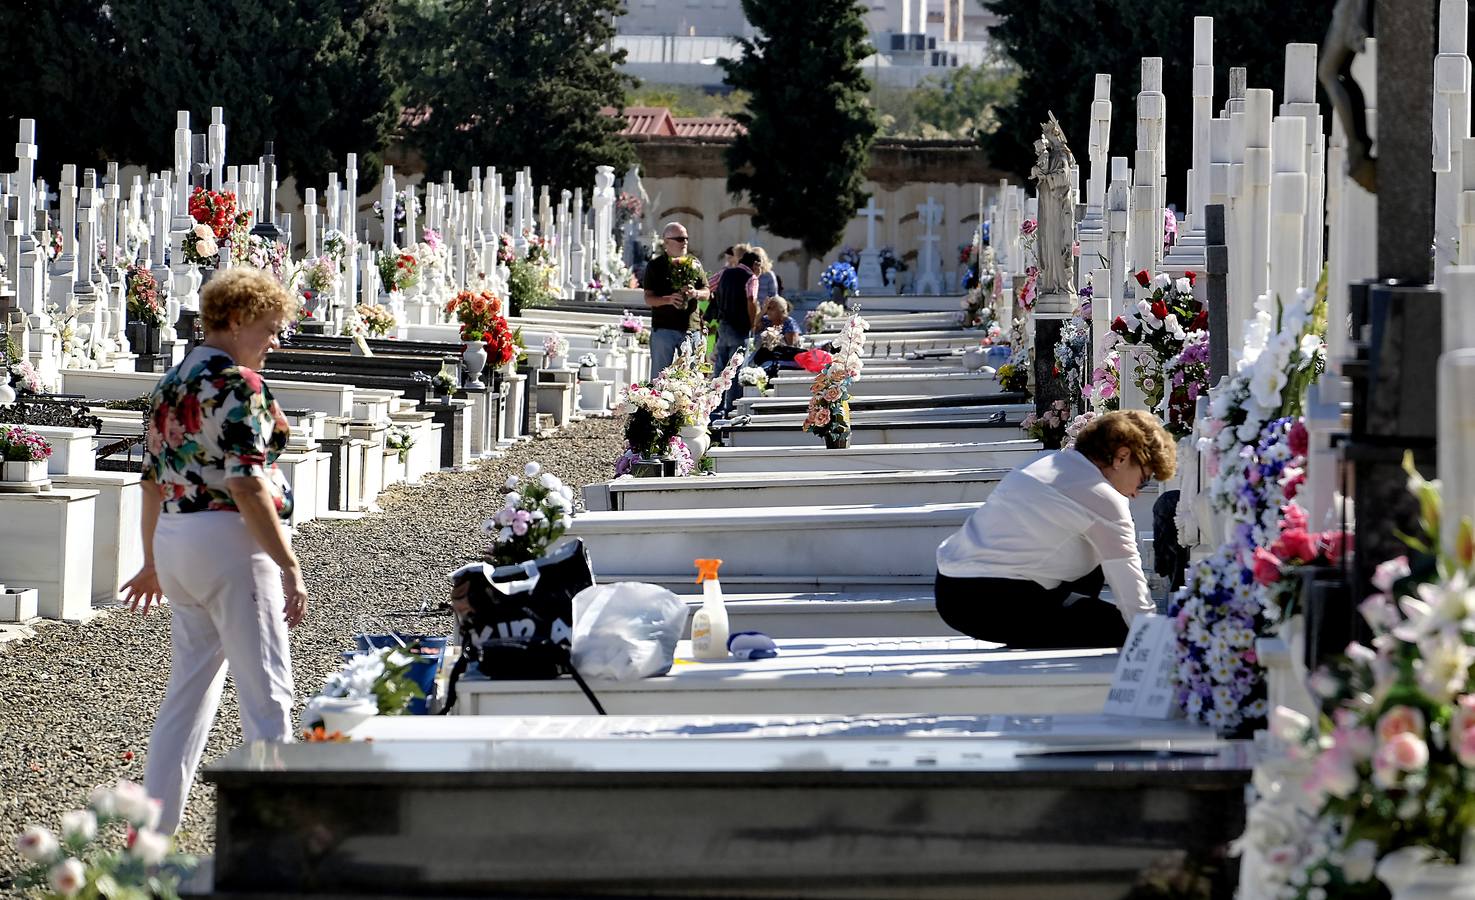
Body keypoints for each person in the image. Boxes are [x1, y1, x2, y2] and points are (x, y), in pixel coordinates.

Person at [123, 268, 308, 834]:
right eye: (270, 328)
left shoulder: (172, 383)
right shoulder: (238, 385)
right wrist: (289, 563)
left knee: (187, 699)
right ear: (235, 320)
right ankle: (272, 843)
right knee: (268, 698)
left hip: (177, 541)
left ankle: (148, 843)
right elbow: (247, 483)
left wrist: (153, 559)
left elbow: (152, 481)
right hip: (230, 543)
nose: (275, 341)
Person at [932, 410, 1176, 649]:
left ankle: (1062, 618)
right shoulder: (1102, 498)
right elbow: (1129, 582)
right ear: (1121, 457)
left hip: (950, 587)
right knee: (1124, 629)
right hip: (993, 603)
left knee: (1097, 544)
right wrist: (1153, 638)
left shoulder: (1047, 460)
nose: (1135, 493)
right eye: (1143, 479)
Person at [643, 222, 709, 375]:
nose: (684, 242)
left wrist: (696, 294)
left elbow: (707, 291)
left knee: (692, 376)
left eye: (686, 238)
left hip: (691, 329)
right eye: (679, 239)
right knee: (660, 376)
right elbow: (648, 298)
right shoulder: (655, 266)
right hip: (664, 328)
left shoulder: (694, 264)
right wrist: (668, 300)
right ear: (666, 242)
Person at [709, 250, 760, 415]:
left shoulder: (724, 273)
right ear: (755, 264)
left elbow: (708, 286)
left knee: (720, 366)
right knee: (736, 368)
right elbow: (751, 300)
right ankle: (731, 408)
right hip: (740, 327)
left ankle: (714, 406)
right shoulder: (751, 277)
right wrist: (753, 324)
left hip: (723, 324)